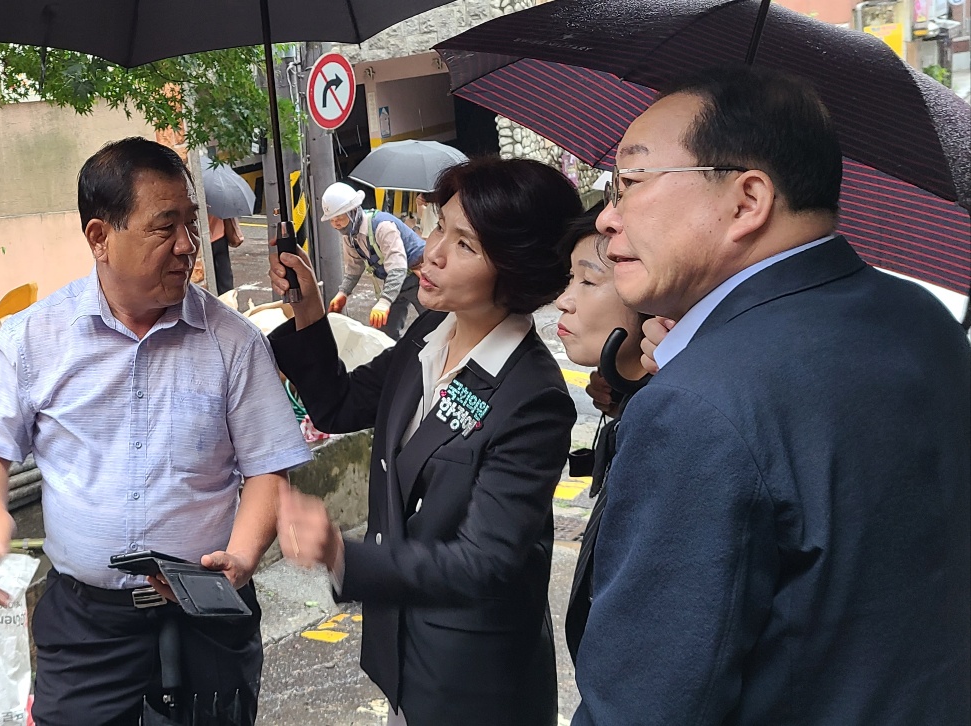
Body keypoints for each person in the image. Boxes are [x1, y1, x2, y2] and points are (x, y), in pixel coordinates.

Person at [573, 66, 971, 725]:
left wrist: (699, 374)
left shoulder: (697, 404)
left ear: (747, 201)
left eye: (631, 182)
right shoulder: (918, 317)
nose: (607, 217)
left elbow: (643, 705)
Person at [0, 137, 313, 726]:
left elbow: (267, 468)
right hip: (87, 627)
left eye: (190, 223)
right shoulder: (36, 337)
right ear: (100, 237)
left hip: (209, 614)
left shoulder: (233, 342)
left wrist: (243, 556)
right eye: (164, 227)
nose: (187, 245)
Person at [270, 157, 582, 726]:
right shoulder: (429, 333)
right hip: (402, 653)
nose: (432, 252)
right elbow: (339, 404)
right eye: (441, 227)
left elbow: (486, 561)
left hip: (474, 681)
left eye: (465, 245)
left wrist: (341, 554)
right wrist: (308, 306)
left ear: (515, 268)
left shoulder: (533, 396)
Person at [548, 201, 648, 662]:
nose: (564, 300)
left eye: (588, 281)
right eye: (570, 279)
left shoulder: (671, 428)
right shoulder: (633, 406)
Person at [319, 181, 426, 340]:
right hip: (394, 282)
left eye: (339, 218)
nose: (336, 224)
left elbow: (397, 268)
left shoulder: (383, 226)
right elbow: (354, 268)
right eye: (332, 220)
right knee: (384, 332)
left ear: (353, 211)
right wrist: (343, 292)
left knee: (434, 326)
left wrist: (385, 301)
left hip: (419, 277)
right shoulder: (350, 236)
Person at [206, 213, 244, 294]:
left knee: (205, 283)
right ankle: (227, 300)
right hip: (220, 236)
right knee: (225, 282)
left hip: (206, 240)